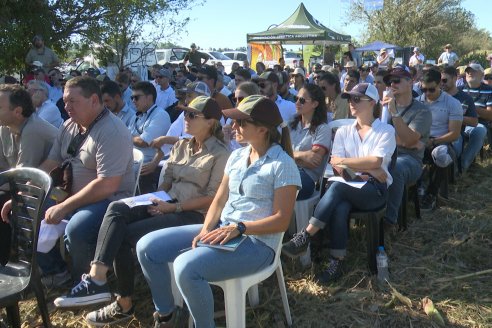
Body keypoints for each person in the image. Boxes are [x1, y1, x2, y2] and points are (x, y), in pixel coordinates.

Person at [53, 97, 229, 319]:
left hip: (192, 214)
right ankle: (97, 277)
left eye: (192, 115)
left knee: (123, 235)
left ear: (211, 122)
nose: (185, 118)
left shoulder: (221, 153)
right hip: (168, 201)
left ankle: (123, 302)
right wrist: (154, 200)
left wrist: (171, 208)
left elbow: (213, 198)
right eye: (185, 113)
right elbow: (167, 181)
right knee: (118, 208)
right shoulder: (182, 145)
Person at [136, 94, 300, 327]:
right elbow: (219, 200)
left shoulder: (282, 164)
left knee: (186, 268)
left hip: (258, 244)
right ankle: (167, 315)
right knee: (146, 247)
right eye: (234, 121)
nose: (233, 126)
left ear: (263, 129)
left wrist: (240, 228)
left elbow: (281, 221)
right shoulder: (237, 155)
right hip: (225, 231)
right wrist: (205, 230)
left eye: (241, 122)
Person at [2, 76, 135, 286]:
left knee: (77, 229)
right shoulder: (70, 125)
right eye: (65, 101)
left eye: (73, 101)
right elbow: (51, 162)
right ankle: (55, 272)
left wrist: (64, 206)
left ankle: (86, 283)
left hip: (108, 200)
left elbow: (107, 184)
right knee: (25, 211)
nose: (66, 106)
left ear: (93, 100)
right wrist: (26, 195)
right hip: (68, 193)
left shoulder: (112, 131)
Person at [282, 83, 396, 283]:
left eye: (357, 99)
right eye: (350, 99)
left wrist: (358, 165)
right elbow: (335, 163)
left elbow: (375, 161)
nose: (351, 103)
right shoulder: (344, 131)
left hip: (374, 190)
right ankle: (337, 261)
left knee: (337, 188)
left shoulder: (385, 130)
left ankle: (306, 236)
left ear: (372, 103)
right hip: (350, 184)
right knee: (340, 204)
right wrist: (366, 169)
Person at [381, 68, 431, 225]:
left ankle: (388, 222)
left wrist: (394, 114)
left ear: (410, 82)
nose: (392, 85)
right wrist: (402, 141)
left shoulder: (422, 110)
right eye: (390, 82)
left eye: (397, 81)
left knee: (395, 168)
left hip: (410, 160)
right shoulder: (382, 107)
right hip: (384, 154)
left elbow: (409, 140)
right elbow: (375, 135)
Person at [417, 69, 462, 210]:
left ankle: (432, 193)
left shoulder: (452, 103)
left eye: (431, 89)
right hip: (419, 140)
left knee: (440, 154)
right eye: (424, 89)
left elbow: (454, 134)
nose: (427, 93)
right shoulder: (417, 102)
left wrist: (434, 141)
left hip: (441, 141)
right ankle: (416, 187)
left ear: (439, 85)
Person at [289, 84, 330, 200]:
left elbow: (313, 162)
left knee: (279, 191)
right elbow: (277, 152)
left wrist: (288, 154)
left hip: (305, 177)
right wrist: (303, 155)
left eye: (302, 100)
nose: (297, 102)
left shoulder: (322, 129)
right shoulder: (290, 124)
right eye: (295, 98)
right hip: (284, 170)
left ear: (315, 104)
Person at [129, 81, 171, 193]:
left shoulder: (160, 115)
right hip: (133, 158)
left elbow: (143, 142)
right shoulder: (136, 116)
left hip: (149, 162)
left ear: (149, 97)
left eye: (136, 97)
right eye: (132, 97)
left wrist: (127, 136)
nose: (133, 101)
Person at [441, 66, 484, 173]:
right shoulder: (436, 95)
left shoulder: (465, 98)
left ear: (455, 78)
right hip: (436, 131)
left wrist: (455, 117)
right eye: (440, 80)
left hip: (456, 132)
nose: (442, 83)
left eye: (445, 80)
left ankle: (460, 168)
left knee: (455, 144)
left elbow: (474, 122)